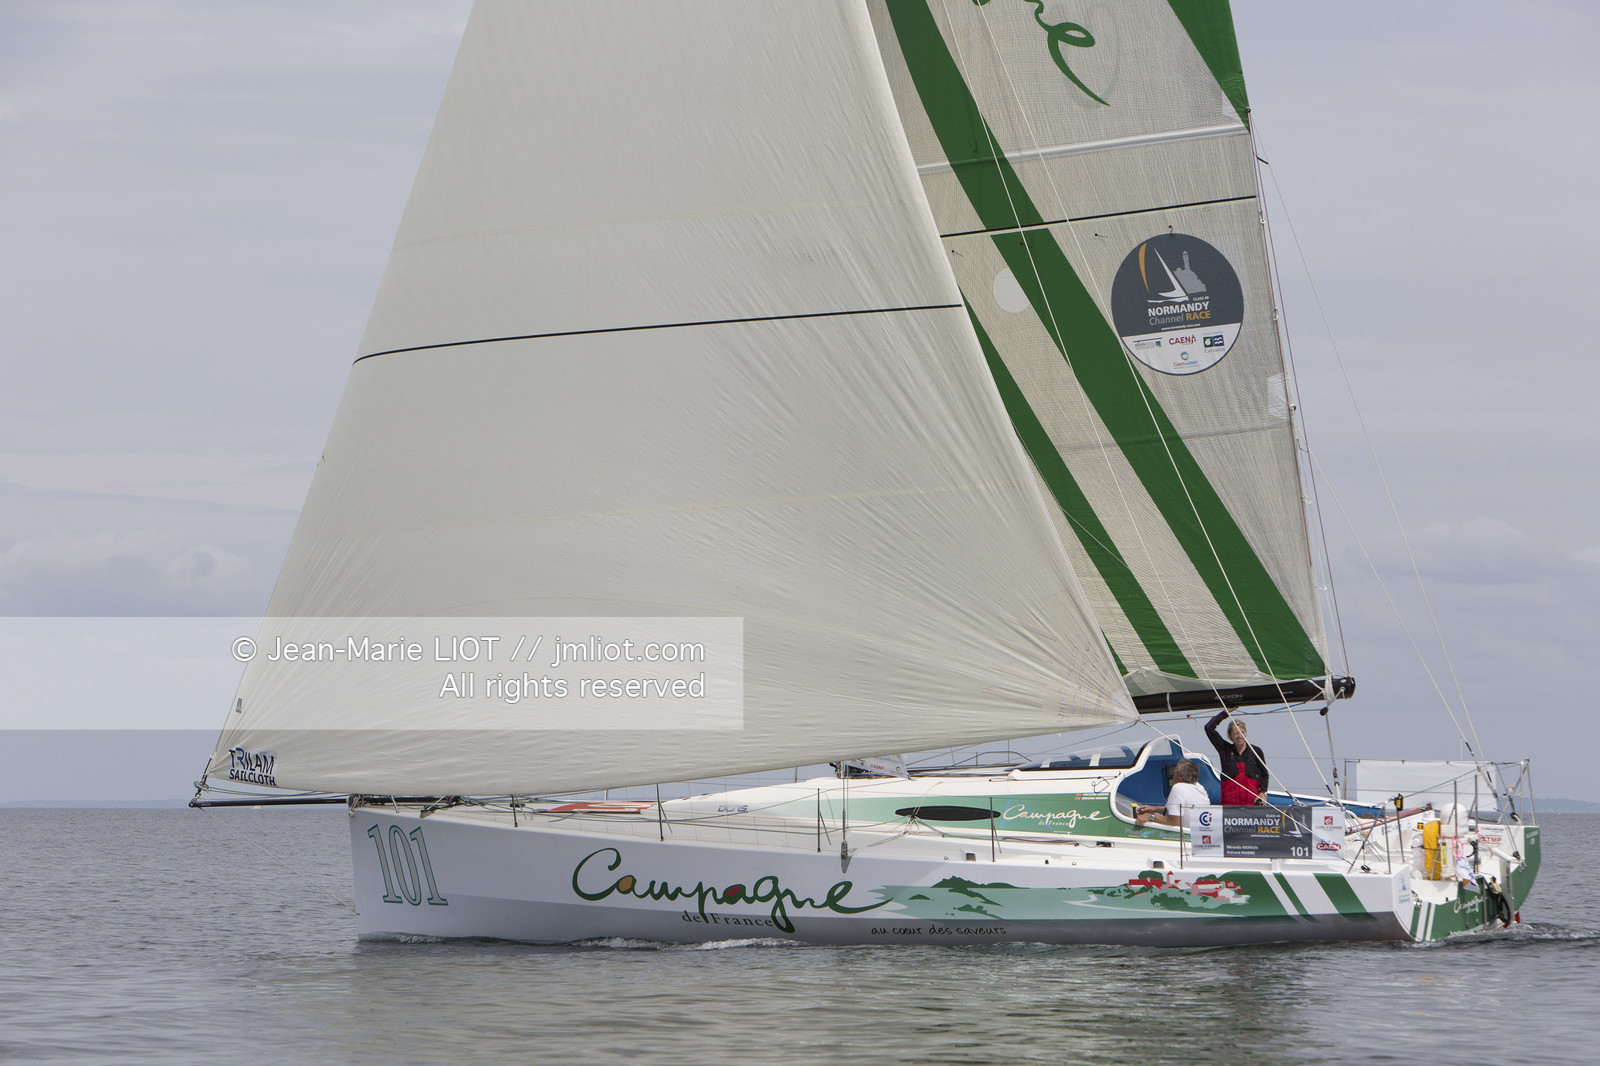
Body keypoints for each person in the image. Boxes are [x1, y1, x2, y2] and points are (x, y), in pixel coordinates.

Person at [1206, 709, 1268, 805]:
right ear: (1230, 736)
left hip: (1252, 807)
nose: (1240, 736)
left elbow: (1265, 775)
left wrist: (1262, 792)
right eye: (1236, 733)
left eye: (1242, 732)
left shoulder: (1256, 751)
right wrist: (1226, 712)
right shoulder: (1225, 750)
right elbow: (1208, 728)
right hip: (1230, 808)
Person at [1134, 760, 1209, 827]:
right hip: (1199, 834)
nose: (1173, 773)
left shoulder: (1178, 787)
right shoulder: (1200, 788)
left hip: (1183, 836)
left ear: (1180, 776)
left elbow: (1174, 822)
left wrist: (1149, 816)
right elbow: (1181, 810)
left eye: (1175, 770)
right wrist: (1154, 809)